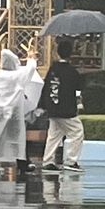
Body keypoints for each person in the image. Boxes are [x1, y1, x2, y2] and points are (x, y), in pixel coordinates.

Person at [0, 48, 40, 176]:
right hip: (14, 111)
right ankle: (22, 164)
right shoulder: (17, 76)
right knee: (18, 137)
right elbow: (30, 69)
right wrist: (31, 58)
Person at [39, 39, 84, 173]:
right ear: (70, 54)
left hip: (53, 108)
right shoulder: (72, 72)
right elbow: (77, 90)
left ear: (58, 53)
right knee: (77, 131)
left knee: (54, 134)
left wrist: (45, 105)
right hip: (66, 110)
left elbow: (46, 88)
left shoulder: (53, 69)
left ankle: (48, 161)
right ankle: (71, 160)